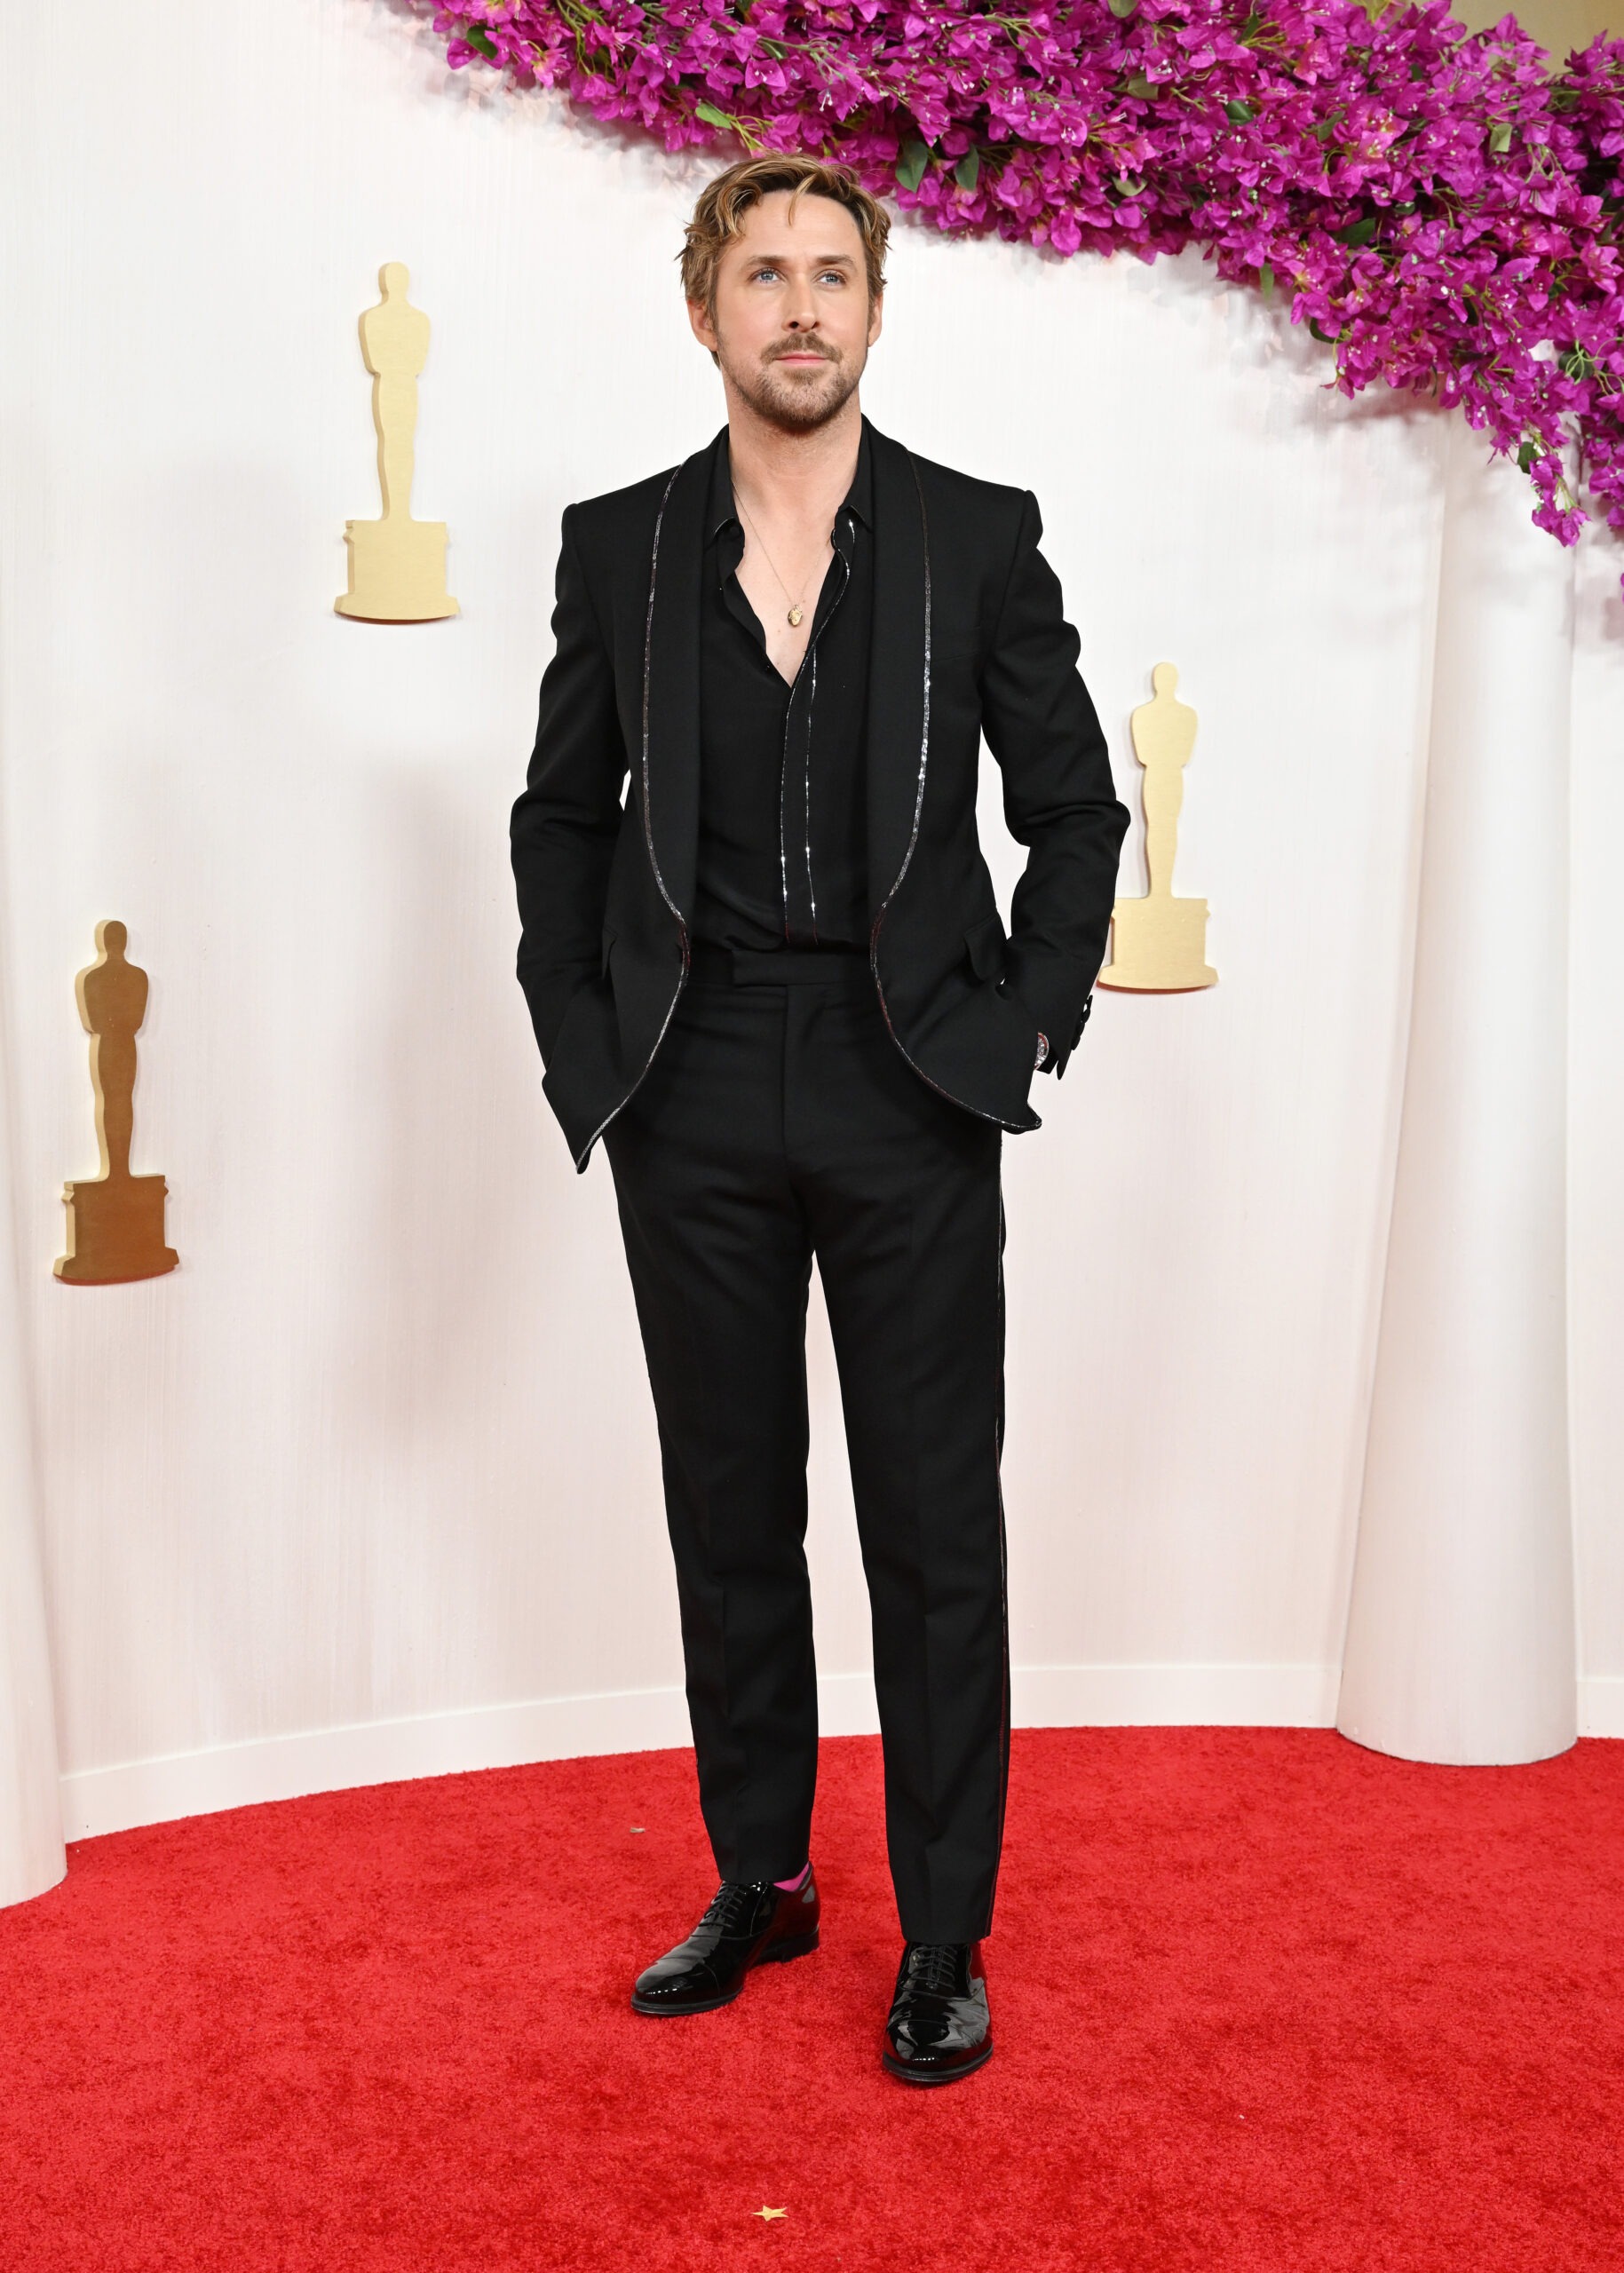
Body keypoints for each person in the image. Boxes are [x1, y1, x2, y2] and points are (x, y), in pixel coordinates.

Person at [511, 154, 1129, 2085]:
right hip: (688, 1076)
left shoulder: (974, 537)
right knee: (729, 1510)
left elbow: (1078, 810)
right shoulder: (620, 548)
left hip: (906, 1073)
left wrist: (1019, 1027)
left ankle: (942, 1929)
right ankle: (763, 1874)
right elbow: (561, 813)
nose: (799, 305)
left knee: (934, 1526)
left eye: (831, 274)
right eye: (762, 272)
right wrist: (583, 1031)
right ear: (704, 310)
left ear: (876, 310)